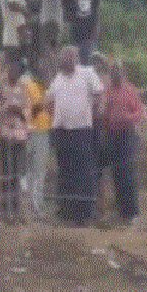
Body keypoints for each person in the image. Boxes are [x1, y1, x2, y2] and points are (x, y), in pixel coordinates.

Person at [46, 45, 103, 226]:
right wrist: (54, 116)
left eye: (68, 59)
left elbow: (99, 95)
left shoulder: (87, 73)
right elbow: (48, 100)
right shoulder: (58, 79)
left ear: (75, 59)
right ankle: (66, 212)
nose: (64, 63)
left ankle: (84, 213)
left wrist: (93, 114)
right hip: (62, 131)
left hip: (82, 130)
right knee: (65, 172)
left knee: (83, 172)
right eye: (62, 60)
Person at [100, 60, 145, 225]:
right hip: (112, 135)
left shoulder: (130, 91)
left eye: (118, 71)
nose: (115, 75)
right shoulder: (108, 92)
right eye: (113, 72)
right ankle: (119, 210)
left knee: (128, 174)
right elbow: (103, 113)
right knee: (116, 173)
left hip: (127, 135)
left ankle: (132, 213)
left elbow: (140, 112)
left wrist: (128, 118)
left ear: (123, 73)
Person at [0, 59, 27, 223]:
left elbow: (27, 110)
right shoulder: (0, 87)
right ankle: (4, 212)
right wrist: (6, 108)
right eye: (12, 68)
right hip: (4, 135)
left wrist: (19, 111)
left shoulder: (23, 88)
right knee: (5, 173)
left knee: (16, 175)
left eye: (17, 69)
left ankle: (16, 211)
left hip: (19, 137)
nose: (14, 72)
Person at [24, 66, 53, 220]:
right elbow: (28, 110)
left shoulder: (47, 89)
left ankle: (36, 204)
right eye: (45, 72)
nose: (47, 75)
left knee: (39, 171)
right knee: (32, 171)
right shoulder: (30, 87)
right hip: (32, 132)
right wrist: (41, 105)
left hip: (44, 131)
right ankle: (32, 206)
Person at [0, 0, 27, 64]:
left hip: (19, 26)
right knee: (11, 49)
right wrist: (24, 10)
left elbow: (22, 5)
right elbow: (12, 6)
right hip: (12, 26)